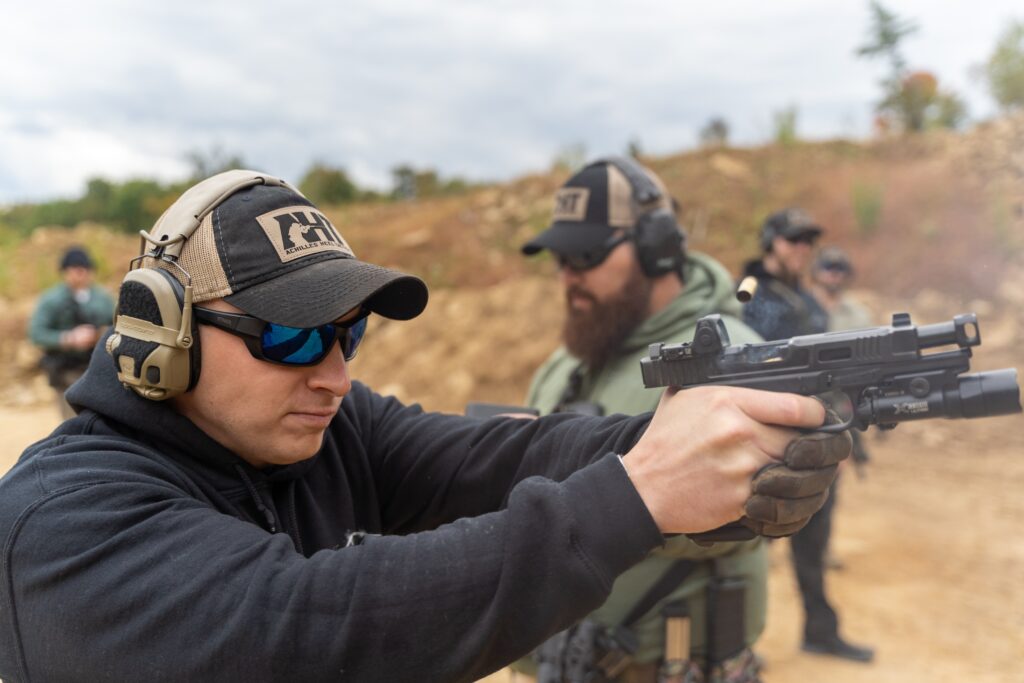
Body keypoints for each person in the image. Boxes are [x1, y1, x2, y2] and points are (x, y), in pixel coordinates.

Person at [0, 171, 850, 682]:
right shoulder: (65, 521)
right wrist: (641, 492)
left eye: (348, 334)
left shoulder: (313, 428)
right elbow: (316, 627)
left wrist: (707, 441)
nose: (334, 373)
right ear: (164, 332)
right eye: (290, 337)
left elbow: (499, 455)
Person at [515, 158, 768, 683]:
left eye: (585, 254)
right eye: (560, 257)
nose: (568, 275)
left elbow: (758, 514)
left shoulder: (737, 363)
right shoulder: (565, 366)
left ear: (657, 247)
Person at [739, 210, 874, 664]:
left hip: (816, 437)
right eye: (794, 239)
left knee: (814, 545)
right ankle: (734, 647)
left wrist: (845, 432)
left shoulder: (806, 301)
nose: (802, 248)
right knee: (738, 547)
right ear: (770, 241)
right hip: (760, 441)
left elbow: (831, 372)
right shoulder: (748, 292)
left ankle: (820, 630)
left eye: (808, 240)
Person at [28, 245, 115, 419]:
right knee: (72, 421)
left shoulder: (103, 299)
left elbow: (118, 325)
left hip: (96, 368)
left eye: (84, 269)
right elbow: (36, 333)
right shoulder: (51, 300)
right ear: (65, 272)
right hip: (66, 369)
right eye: (75, 269)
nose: (80, 273)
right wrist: (68, 338)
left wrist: (100, 334)